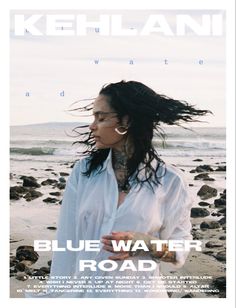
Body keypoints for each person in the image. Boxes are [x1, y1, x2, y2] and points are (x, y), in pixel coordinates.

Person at [47, 80, 211, 298]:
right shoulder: (83, 173)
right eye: (94, 117)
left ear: (126, 121)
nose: (92, 126)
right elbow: (66, 245)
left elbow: (179, 251)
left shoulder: (170, 181)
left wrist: (145, 243)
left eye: (101, 118)